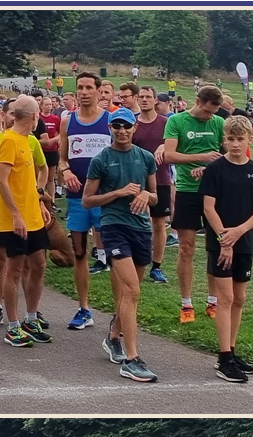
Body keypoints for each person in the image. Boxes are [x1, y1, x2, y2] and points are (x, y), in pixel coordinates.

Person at [83, 106, 159, 383]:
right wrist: (118, 193)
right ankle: (131, 359)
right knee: (132, 290)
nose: (122, 131)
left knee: (131, 293)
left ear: (134, 128)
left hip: (141, 228)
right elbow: (87, 200)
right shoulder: (101, 159)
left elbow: (155, 196)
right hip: (114, 226)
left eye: (126, 126)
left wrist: (146, 197)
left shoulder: (146, 158)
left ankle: (113, 336)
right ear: (110, 129)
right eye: (116, 126)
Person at [201, 116, 253, 383]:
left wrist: (238, 232)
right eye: (230, 139)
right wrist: (224, 238)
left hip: (243, 240)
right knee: (226, 298)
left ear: (249, 140)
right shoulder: (216, 169)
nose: (235, 144)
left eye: (240, 139)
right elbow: (209, 207)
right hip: (220, 241)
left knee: (239, 298)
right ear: (224, 140)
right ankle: (223, 357)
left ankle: (232, 349)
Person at [0, 95, 56, 350]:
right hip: (15, 219)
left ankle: (31, 318)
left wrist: (40, 199)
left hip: (33, 216)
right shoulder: (9, 140)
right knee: (15, 269)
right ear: (33, 116)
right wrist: (17, 215)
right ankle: (12, 325)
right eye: (38, 114)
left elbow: (37, 174)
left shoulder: (28, 140)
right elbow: (1, 181)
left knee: (39, 264)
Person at [164, 86, 227, 323]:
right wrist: (200, 158)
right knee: (186, 248)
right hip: (187, 191)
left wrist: (210, 167)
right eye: (208, 111)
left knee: (216, 247)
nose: (210, 116)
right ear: (198, 101)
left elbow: (231, 153)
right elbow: (170, 155)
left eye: (214, 112)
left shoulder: (219, 122)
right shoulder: (177, 121)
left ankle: (213, 301)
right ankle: (186, 303)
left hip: (214, 193)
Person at [60, 73, 112, 330]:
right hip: (76, 198)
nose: (83, 92)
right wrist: (66, 171)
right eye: (79, 87)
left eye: (89, 87)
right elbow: (61, 158)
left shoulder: (111, 121)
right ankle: (84, 309)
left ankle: (120, 312)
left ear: (99, 91)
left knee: (115, 253)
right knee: (80, 253)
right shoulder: (68, 121)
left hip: (105, 199)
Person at [131, 86, 174, 285]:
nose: (145, 100)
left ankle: (156, 266)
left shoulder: (166, 123)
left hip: (161, 179)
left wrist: (165, 145)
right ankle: (136, 260)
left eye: (149, 97)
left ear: (156, 100)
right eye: (142, 97)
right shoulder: (132, 124)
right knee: (138, 222)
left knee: (159, 224)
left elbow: (175, 145)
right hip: (136, 181)